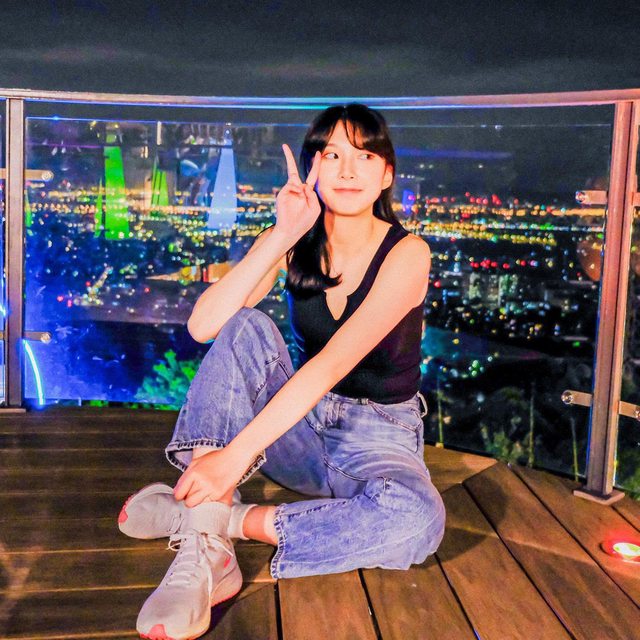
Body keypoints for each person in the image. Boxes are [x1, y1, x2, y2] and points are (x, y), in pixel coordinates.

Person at [119, 103, 446, 640]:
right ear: (313, 167)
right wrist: (283, 232)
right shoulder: (297, 241)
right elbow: (206, 326)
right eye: (331, 155)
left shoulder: (408, 254)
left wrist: (232, 461)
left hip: (378, 440)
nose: (346, 170)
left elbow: (330, 365)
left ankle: (214, 519)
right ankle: (206, 559)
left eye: (364, 156)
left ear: (386, 173)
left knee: (418, 519)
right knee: (245, 325)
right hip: (297, 431)